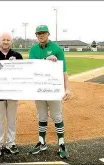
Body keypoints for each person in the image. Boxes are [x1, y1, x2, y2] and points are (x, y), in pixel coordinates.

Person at [29, 25, 70, 159]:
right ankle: (42, 142)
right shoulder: (33, 49)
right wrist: (45, 61)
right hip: (39, 90)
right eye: (39, 34)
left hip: (53, 89)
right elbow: (32, 68)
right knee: (42, 116)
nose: (41, 35)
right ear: (36, 35)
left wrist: (67, 89)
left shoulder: (56, 49)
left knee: (57, 116)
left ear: (48, 34)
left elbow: (63, 71)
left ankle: (62, 143)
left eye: (43, 33)